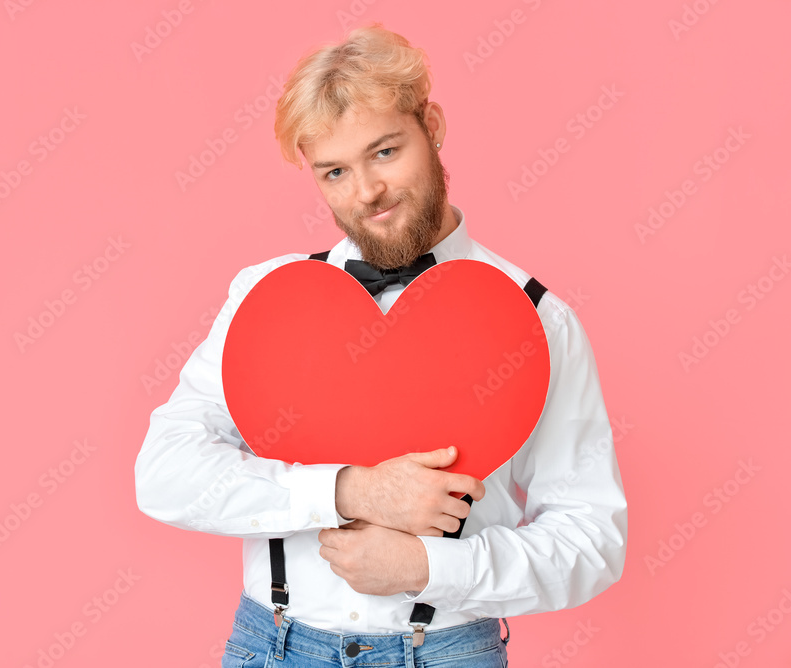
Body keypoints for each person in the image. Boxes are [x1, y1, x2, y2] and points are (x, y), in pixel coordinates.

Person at [135, 23, 626, 667]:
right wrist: (348, 492)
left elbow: (593, 540)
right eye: (335, 171)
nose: (366, 192)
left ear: (434, 126)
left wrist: (433, 565)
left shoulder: (539, 319)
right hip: (271, 646)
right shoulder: (266, 298)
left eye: (386, 152)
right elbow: (165, 473)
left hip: (444, 651)